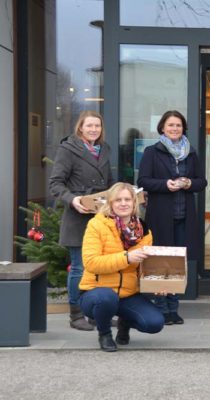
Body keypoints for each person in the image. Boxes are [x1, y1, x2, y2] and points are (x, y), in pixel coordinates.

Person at [138, 110, 207, 325]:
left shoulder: (191, 153)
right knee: (159, 262)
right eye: (171, 125)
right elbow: (144, 180)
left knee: (178, 264)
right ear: (162, 128)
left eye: (178, 125)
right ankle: (161, 308)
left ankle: (174, 307)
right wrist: (165, 185)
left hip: (184, 216)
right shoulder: (152, 151)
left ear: (183, 128)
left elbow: (201, 182)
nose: (175, 129)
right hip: (160, 216)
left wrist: (189, 183)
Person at [49, 110, 115, 331]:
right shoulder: (67, 149)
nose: (93, 129)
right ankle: (76, 315)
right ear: (80, 127)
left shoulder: (104, 148)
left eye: (97, 126)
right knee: (79, 267)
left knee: (101, 268)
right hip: (77, 216)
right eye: (89, 126)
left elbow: (110, 181)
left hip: (101, 216)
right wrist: (73, 199)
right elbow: (56, 183)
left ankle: (97, 312)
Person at [79, 182, 164, 352]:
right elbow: (91, 263)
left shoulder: (144, 231)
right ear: (110, 203)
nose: (123, 203)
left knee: (155, 323)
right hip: (96, 292)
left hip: (128, 293)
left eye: (127, 199)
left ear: (134, 203)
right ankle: (104, 334)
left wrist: (157, 284)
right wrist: (127, 257)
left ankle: (124, 323)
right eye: (118, 200)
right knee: (106, 298)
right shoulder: (97, 225)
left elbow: (144, 267)